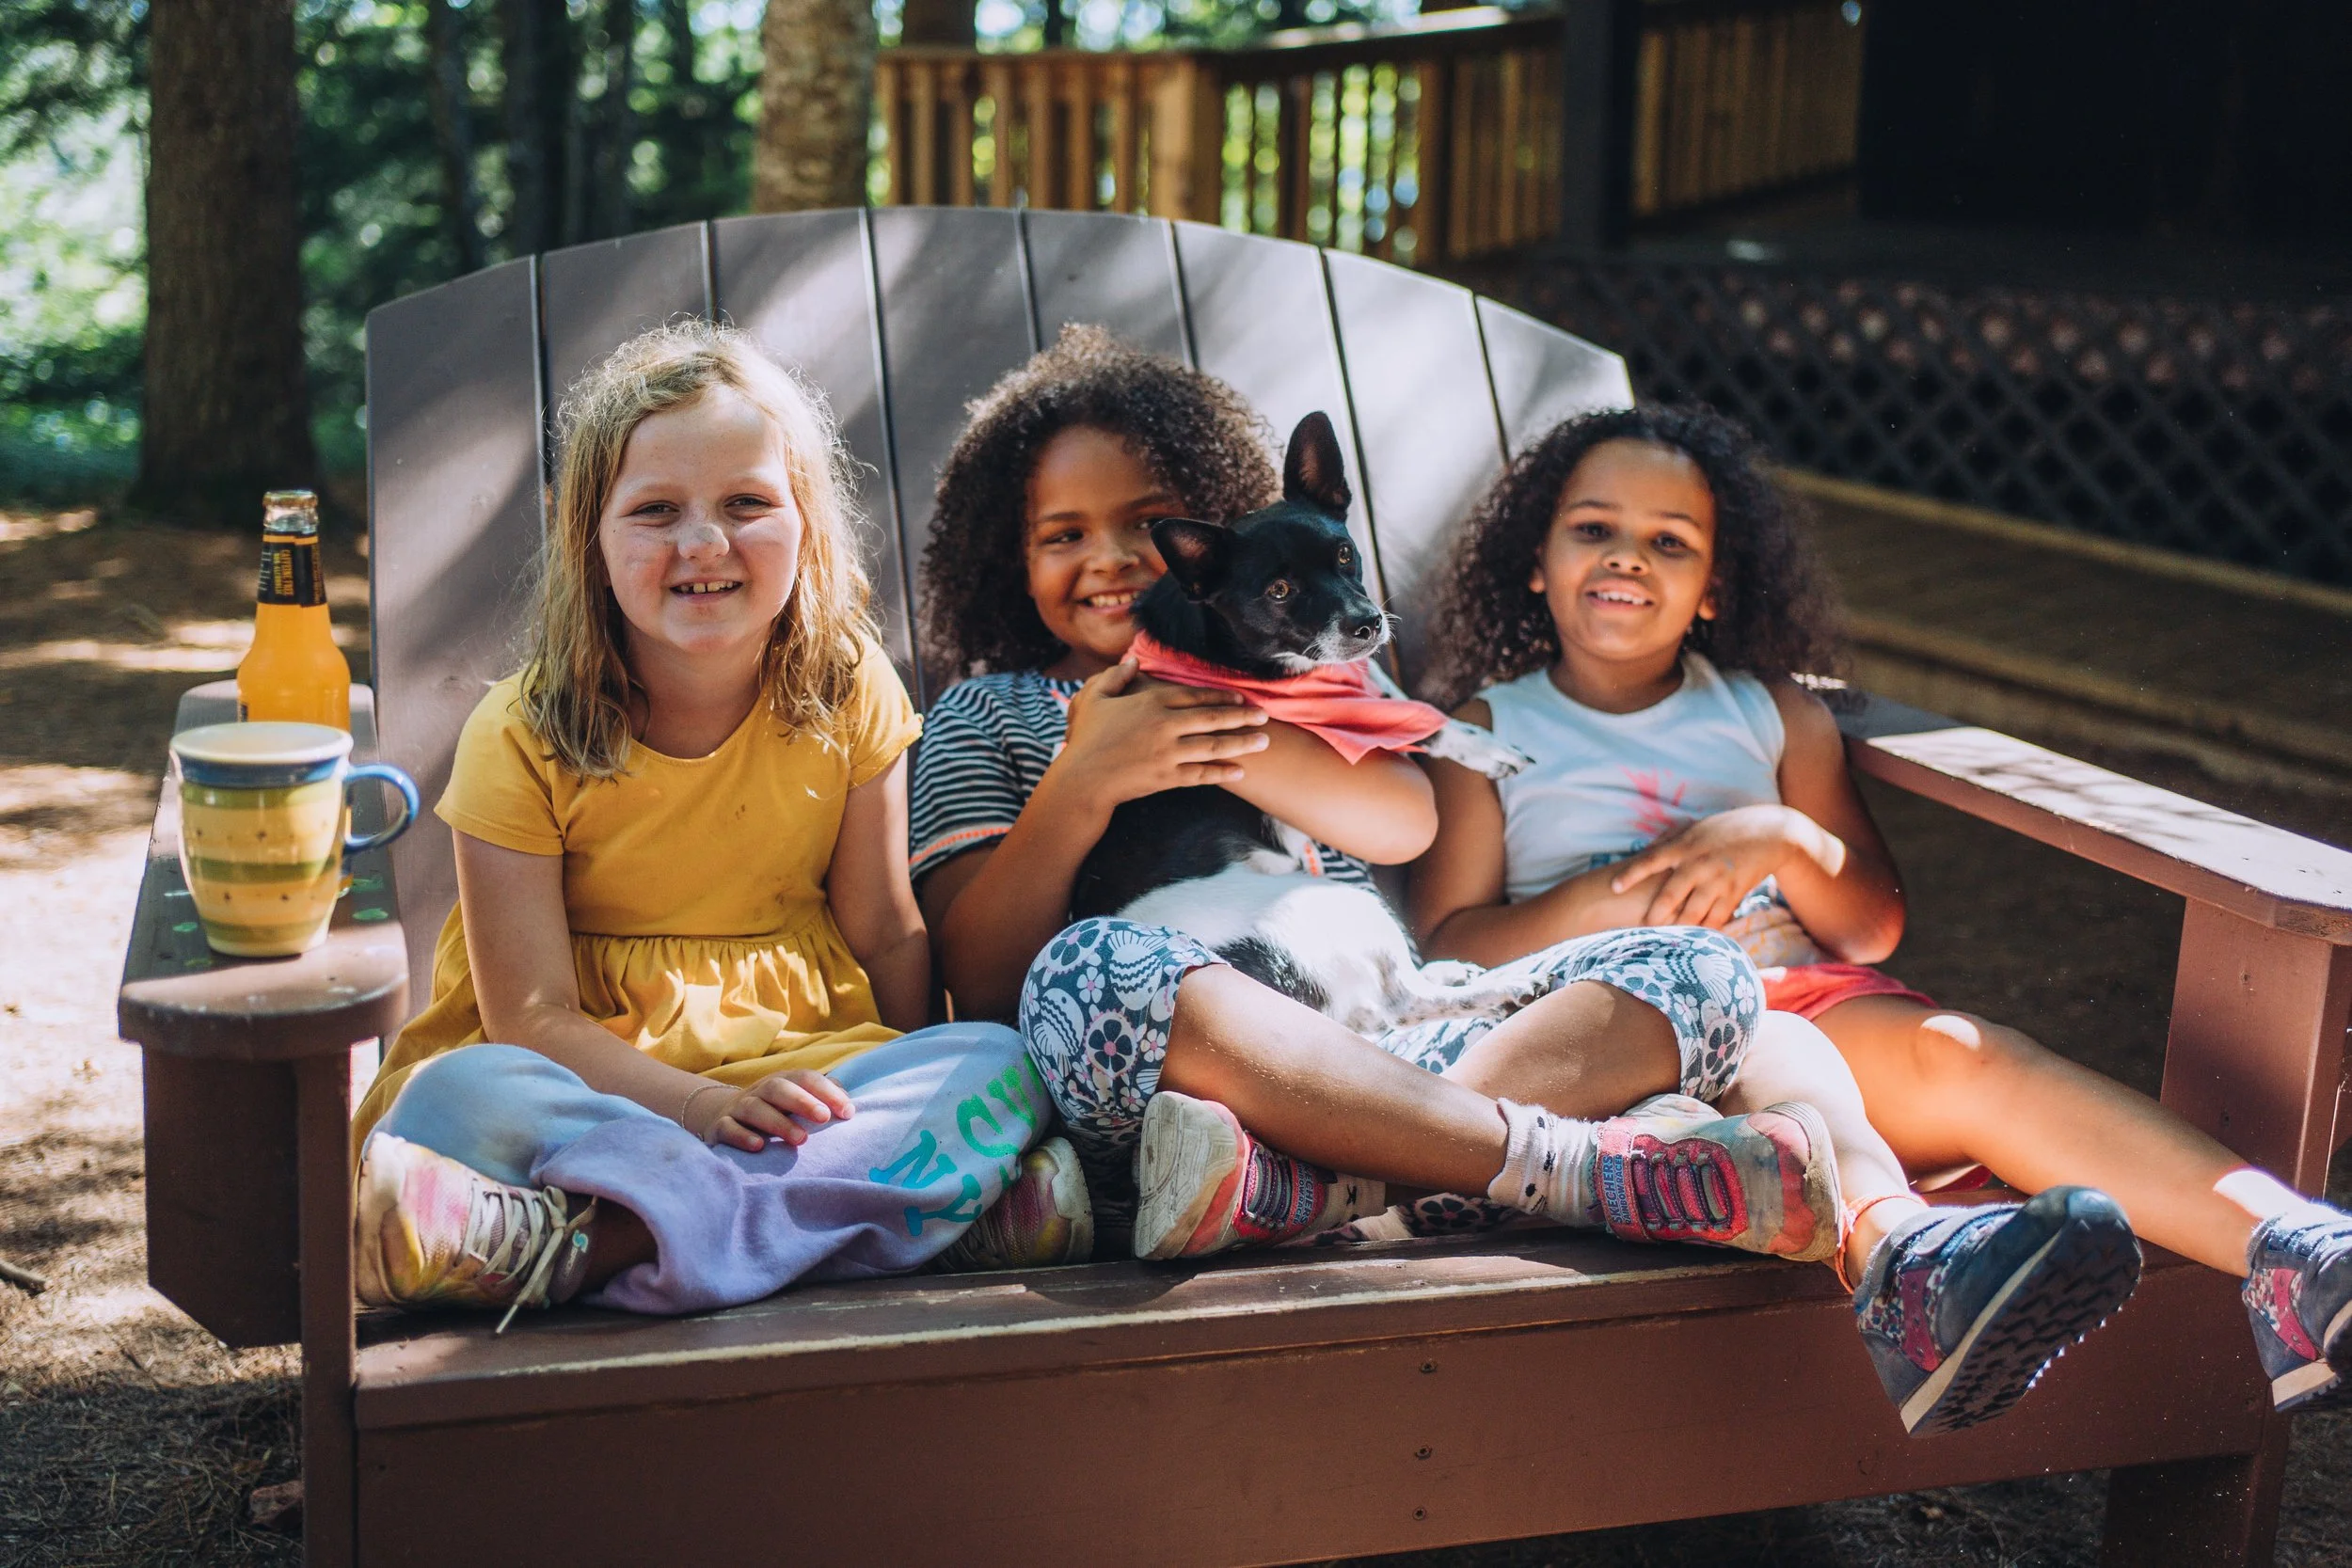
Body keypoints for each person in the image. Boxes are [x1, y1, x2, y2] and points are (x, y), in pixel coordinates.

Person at [907, 328, 2091, 1435]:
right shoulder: (987, 715)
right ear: (1007, 558)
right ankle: (1589, 1171)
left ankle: (1326, 1181)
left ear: (1217, 543)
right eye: (1062, 533)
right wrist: (1080, 783)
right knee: (1094, 964)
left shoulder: (1297, 690)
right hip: (1173, 1071)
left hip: (1384, 1062)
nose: (1110, 558)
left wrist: (1221, 716)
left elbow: (1404, 815)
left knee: (1708, 968)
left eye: (1144, 522)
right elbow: (982, 969)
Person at [1411, 401, 2352, 1418]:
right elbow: (1450, 939)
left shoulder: (1771, 713)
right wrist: (1613, 892)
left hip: (1807, 989)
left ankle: (2290, 1252)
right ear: (1535, 560)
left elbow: (1866, 925)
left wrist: (1781, 836)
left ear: (1714, 588)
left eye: (1668, 540)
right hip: (1620, 1041)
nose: (1627, 556)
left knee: (1963, 1049)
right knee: (1779, 1063)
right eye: (1594, 528)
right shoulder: (1487, 729)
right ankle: (1906, 1268)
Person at [345, 322, 1055, 1327]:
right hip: (591, 1093)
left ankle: (596, 1243)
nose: (704, 544)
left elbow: (887, 928)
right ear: (588, 537)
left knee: (995, 1062)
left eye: (747, 504)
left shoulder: (848, 691)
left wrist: (912, 1079)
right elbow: (531, 1017)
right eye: (656, 511)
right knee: (448, 1100)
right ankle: (878, 1211)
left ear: (805, 520)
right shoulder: (520, 731)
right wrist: (696, 1108)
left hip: (801, 1077)